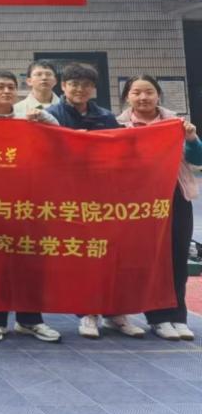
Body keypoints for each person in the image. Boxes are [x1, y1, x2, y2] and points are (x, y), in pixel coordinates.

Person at [47, 62, 146, 339]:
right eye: (73, 84)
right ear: (63, 86)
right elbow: (43, 152)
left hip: (103, 197)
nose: (79, 89)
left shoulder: (105, 116)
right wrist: (71, 142)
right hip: (67, 199)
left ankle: (116, 313)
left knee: (111, 255)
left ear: (93, 88)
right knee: (82, 257)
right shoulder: (51, 115)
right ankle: (88, 313)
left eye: (85, 84)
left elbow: (121, 152)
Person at [0, 71, 61, 343]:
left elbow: (60, 136)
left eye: (11, 87)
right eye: (0, 87)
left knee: (30, 262)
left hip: (28, 202)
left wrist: (45, 117)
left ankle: (30, 320)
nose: (7, 91)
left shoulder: (28, 118)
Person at [116, 75, 201, 341]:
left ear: (158, 95)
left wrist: (192, 138)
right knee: (150, 259)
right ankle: (157, 318)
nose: (143, 97)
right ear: (127, 97)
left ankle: (178, 317)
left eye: (149, 92)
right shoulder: (118, 125)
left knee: (177, 255)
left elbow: (198, 159)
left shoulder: (176, 124)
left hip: (176, 197)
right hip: (139, 203)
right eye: (136, 92)